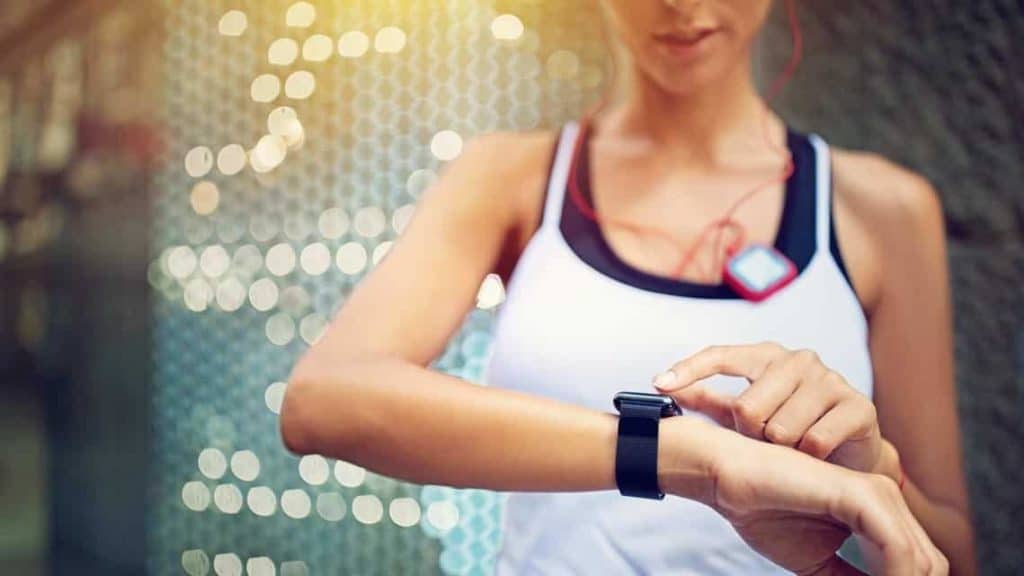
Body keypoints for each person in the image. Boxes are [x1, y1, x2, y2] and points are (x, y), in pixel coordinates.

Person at [280, 0, 975, 573]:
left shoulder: (882, 209)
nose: (680, 5)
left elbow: (953, 555)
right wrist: (682, 459)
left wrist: (875, 466)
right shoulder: (512, 178)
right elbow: (323, 400)